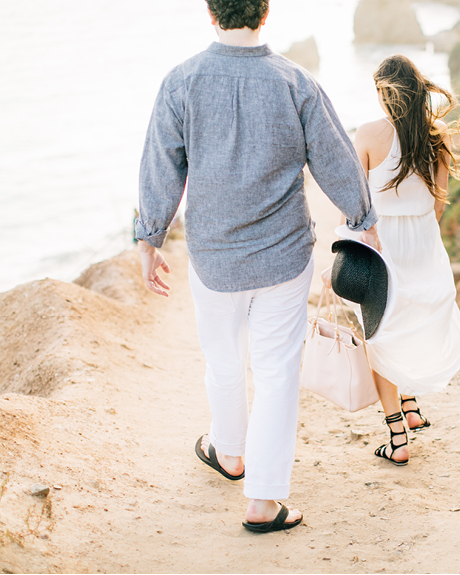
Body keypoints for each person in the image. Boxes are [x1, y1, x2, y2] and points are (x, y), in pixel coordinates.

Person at [135, 0, 379, 533]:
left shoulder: (181, 82)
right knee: (276, 375)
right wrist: (363, 220)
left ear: (210, 12)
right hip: (283, 257)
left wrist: (149, 238)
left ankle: (229, 453)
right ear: (264, 13)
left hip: (213, 258)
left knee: (222, 362)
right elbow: (337, 160)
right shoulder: (296, 83)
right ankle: (263, 502)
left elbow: (161, 165)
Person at [325, 55, 460, 465]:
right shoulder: (436, 137)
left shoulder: (369, 134)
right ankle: (410, 406)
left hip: (381, 253)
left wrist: (341, 249)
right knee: (407, 331)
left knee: (380, 339)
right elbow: (439, 206)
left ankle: (397, 437)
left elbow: (354, 206)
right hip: (424, 249)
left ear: (384, 95)